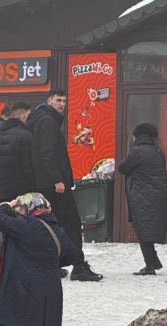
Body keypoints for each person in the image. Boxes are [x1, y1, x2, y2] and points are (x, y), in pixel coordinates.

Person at [0, 193, 82, 326]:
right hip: (49, 295)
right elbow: (74, 255)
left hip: (22, 294)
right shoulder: (56, 229)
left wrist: (8, 203)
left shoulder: (28, 226)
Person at [28, 89, 102, 281]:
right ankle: (79, 266)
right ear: (49, 101)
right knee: (71, 223)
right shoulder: (47, 122)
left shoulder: (42, 120)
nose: (62, 104)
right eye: (58, 100)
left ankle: (52, 263)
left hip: (45, 182)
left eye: (64, 101)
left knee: (52, 224)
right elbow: (48, 154)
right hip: (53, 183)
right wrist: (57, 179)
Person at [117, 123, 167, 276]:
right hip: (159, 195)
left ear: (138, 137)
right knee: (146, 229)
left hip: (142, 196)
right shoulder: (158, 151)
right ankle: (153, 262)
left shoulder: (136, 152)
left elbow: (122, 168)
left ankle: (150, 266)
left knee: (142, 229)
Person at [0, 101, 35, 203]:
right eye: (28, 115)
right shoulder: (26, 136)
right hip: (21, 190)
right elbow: (28, 165)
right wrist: (34, 187)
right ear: (19, 115)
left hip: (0, 189)